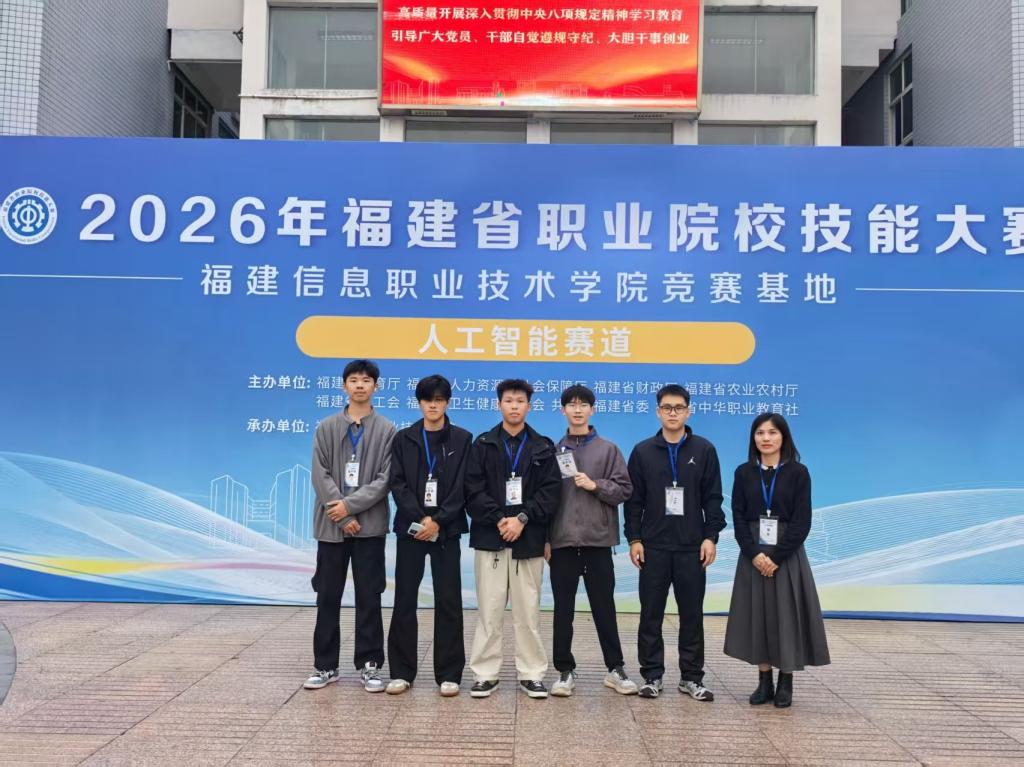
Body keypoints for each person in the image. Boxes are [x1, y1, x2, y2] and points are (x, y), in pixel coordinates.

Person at [624, 384, 725, 701]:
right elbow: (633, 502)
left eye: (678, 407)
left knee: (692, 615)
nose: (672, 413)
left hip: (691, 547)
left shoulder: (704, 450)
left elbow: (713, 498)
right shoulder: (642, 451)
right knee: (650, 615)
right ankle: (652, 675)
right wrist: (634, 538)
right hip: (653, 547)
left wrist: (710, 537)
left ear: (688, 411)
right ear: (658, 411)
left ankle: (691, 678)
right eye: (667, 408)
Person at [724, 413, 831, 708]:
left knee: (786, 614)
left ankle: (786, 681)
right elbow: (738, 518)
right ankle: (764, 681)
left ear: (784, 437)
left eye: (772, 432)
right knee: (757, 615)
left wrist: (777, 556)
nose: (766, 438)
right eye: (760, 433)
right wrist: (754, 554)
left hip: (786, 554)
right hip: (753, 553)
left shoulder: (798, 472)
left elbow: (802, 521)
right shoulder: (744, 472)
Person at [465, 379, 561, 699]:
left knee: (527, 612)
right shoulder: (483, 444)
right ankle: (485, 674)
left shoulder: (543, 446)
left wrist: (521, 519)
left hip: (528, 540)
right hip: (490, 539)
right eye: (509, 400)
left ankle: (532, 673)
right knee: (489, 611)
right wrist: (499, 520)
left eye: (520, 401)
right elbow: (472, 490)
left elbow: (551, 492)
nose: (515, 406)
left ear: (529, 406)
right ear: (499, 405)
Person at [304, 359, 396, 692]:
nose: (360, 385)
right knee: (327, 595)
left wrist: (350, 506)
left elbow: (386, 479)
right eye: (354, 380)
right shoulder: (326, 427)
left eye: (366, 380)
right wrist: (342, 514)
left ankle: (369, 664)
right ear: (344, 386)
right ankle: (325, 665)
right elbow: (320, 474)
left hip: (369, 528)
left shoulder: (387, 430)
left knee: (369, 595)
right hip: (331, 528)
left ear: (376, 387)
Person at [546, 384, 638, 697]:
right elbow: (546, 499)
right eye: (571, 404)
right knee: (563, 610)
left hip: (598, 542)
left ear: (592, 410)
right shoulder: (553, 451)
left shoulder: (608, 450)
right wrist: (546, 539)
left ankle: (615, 668)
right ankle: (564, 670)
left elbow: (624, 490)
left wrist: (595, 485)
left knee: (604, 608)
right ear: (563, 410)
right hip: (562, 543)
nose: (577, 409)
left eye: (583, 404)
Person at [385, 375, 471, 697]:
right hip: (411, 530)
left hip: (446, 531)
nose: (433, 405)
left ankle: (449, 674)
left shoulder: (462, 439)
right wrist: (421, 518)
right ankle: (401, 672)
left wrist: (438, 520)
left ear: (447, 402)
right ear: (419, 403)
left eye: (438, 400)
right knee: (404, 599)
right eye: (427, 400)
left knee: (448, 600)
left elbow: (463, 485)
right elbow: (397, 483)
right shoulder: (404, 438)